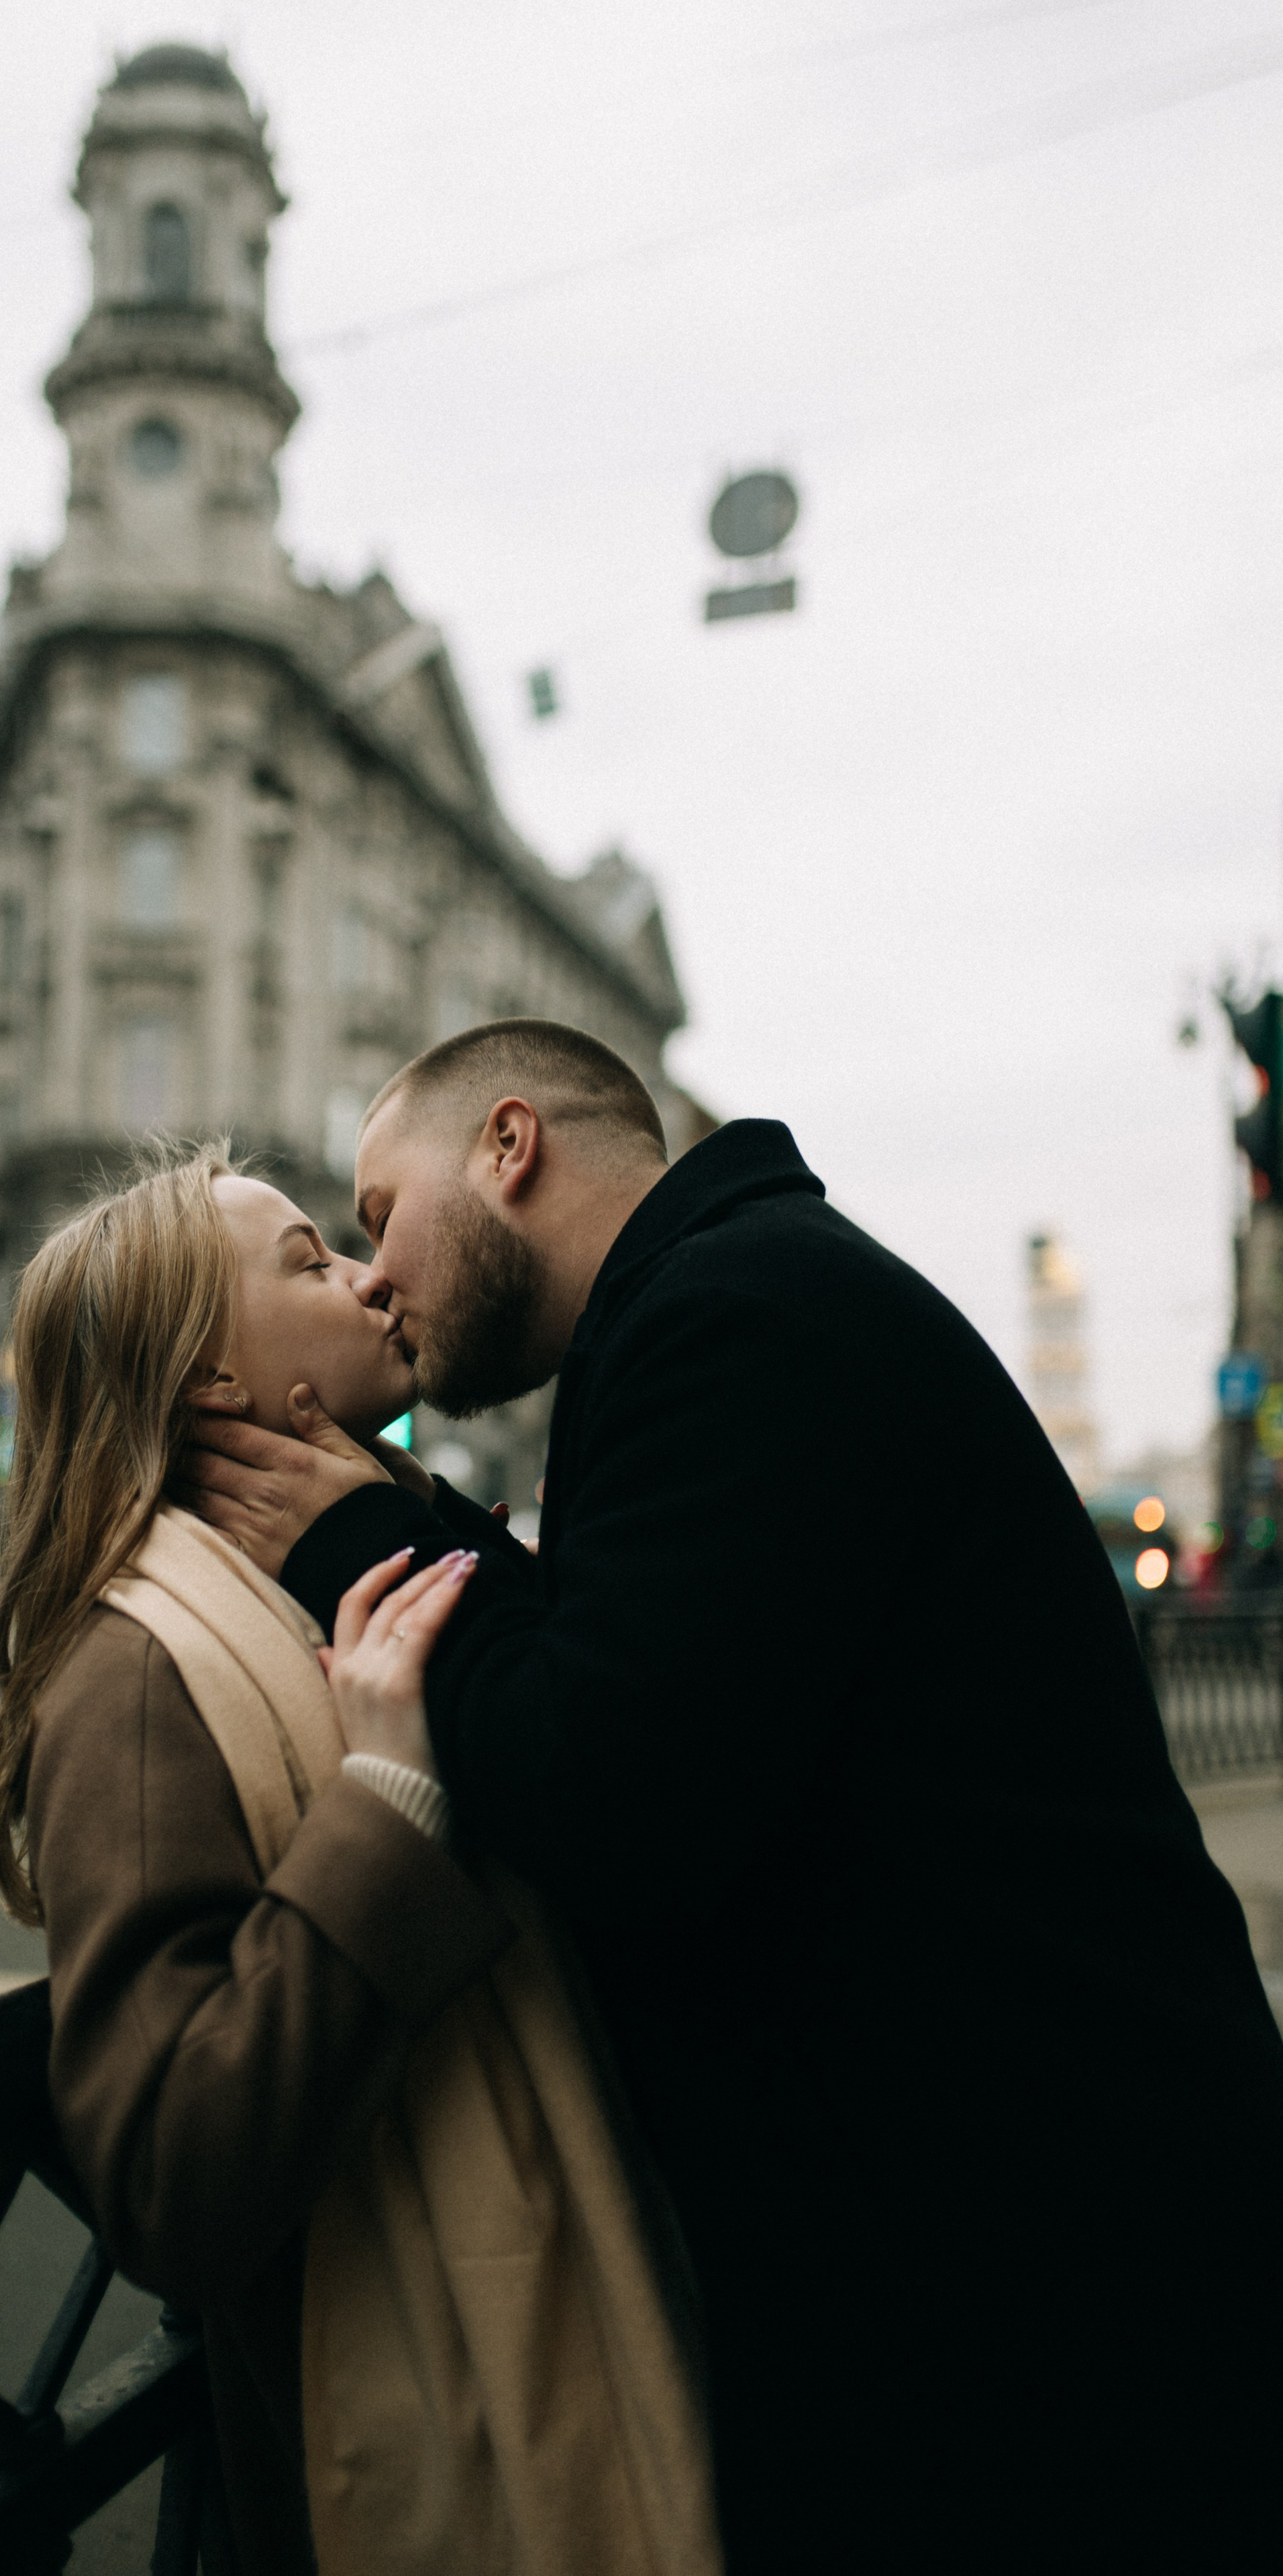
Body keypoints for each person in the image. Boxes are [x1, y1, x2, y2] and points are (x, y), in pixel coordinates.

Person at [184, 1018, 1283, 2576]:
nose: (376, 1277)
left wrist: (353, 1540)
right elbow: (647, 1667)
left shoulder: (731, 1317)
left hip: (1041, 2284)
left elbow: (607, 1800)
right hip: (1032, 2237)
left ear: (508, 1146)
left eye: (378, 1215)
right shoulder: (729, 1294)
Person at [0, 1143, 723, 2576]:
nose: (372, 1278)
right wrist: (387, 1800)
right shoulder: (137, 1671)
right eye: (309, 1262)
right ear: (209, 1378)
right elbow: (166, 2177)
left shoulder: (374, 1560)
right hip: (397, 2440)